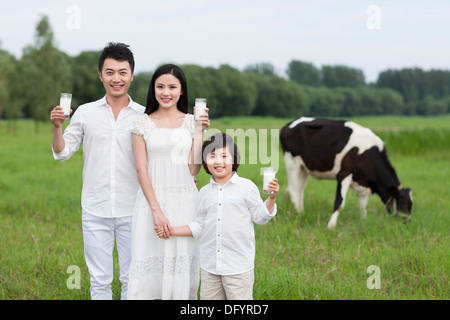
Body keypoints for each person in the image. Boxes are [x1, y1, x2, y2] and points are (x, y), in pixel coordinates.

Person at [50, 42, 145, 300]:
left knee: (132, 280)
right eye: (110, 72)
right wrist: (57, 126)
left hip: (134, 209)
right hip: (95, 209)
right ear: (100, 75)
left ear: (132, 75)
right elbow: (62, 153)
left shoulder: (144, 115)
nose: (116, 78)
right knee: (99, 281)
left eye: (122, 72)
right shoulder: (85, 113)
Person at [156, 133, 279, 300]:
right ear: (205, 162)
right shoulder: (204, 192)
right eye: (212, 156)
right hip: (210, 266)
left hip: (238, 267)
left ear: (233, 159)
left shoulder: (246, 187)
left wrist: (271, 199)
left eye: (223, 156)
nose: (218, 161)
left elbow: (260, 217)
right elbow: (200, 225)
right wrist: (171, 230)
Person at [127, 64, 210, 300]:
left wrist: (199, 131)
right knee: (149, 272)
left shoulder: (191, 121)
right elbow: (142, 171)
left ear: (182, 91)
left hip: (184, 201)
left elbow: (194, 169)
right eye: (160, 86)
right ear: (153, 89)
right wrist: (157, 211)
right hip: (151, 203)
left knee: (180, 268)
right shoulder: (141, 124)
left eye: (172, 87)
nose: (166, 92)